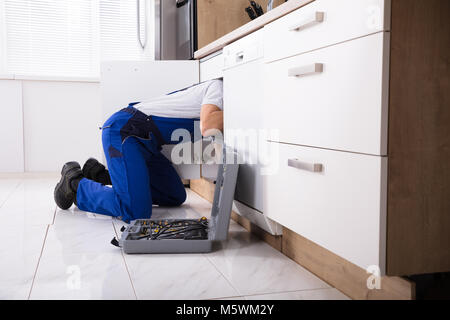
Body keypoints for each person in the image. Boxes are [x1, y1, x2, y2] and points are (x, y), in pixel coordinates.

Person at [54, 79, 223, 223]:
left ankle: (99, 175)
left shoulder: (219, 98)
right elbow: (207, 125)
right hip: (124, 133)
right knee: (135, 212)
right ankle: (75, 185)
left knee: (175, 196)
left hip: (145, 144)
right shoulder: (218, 87)